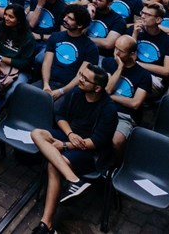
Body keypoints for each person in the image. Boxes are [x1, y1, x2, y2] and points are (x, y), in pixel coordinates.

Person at [28, 65, 119, 234]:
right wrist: (69, 135)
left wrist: (64, 145)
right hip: (70, 136)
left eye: (85, 78)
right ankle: (74, 180)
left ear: (97, 88)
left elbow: (97, 141)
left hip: (90, 152)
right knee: (37, 133)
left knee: (53, 164)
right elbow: (60, 116)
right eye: (81, 75)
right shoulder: (77, 92)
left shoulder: (109, 110)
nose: (80, 79)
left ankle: (45, 225)